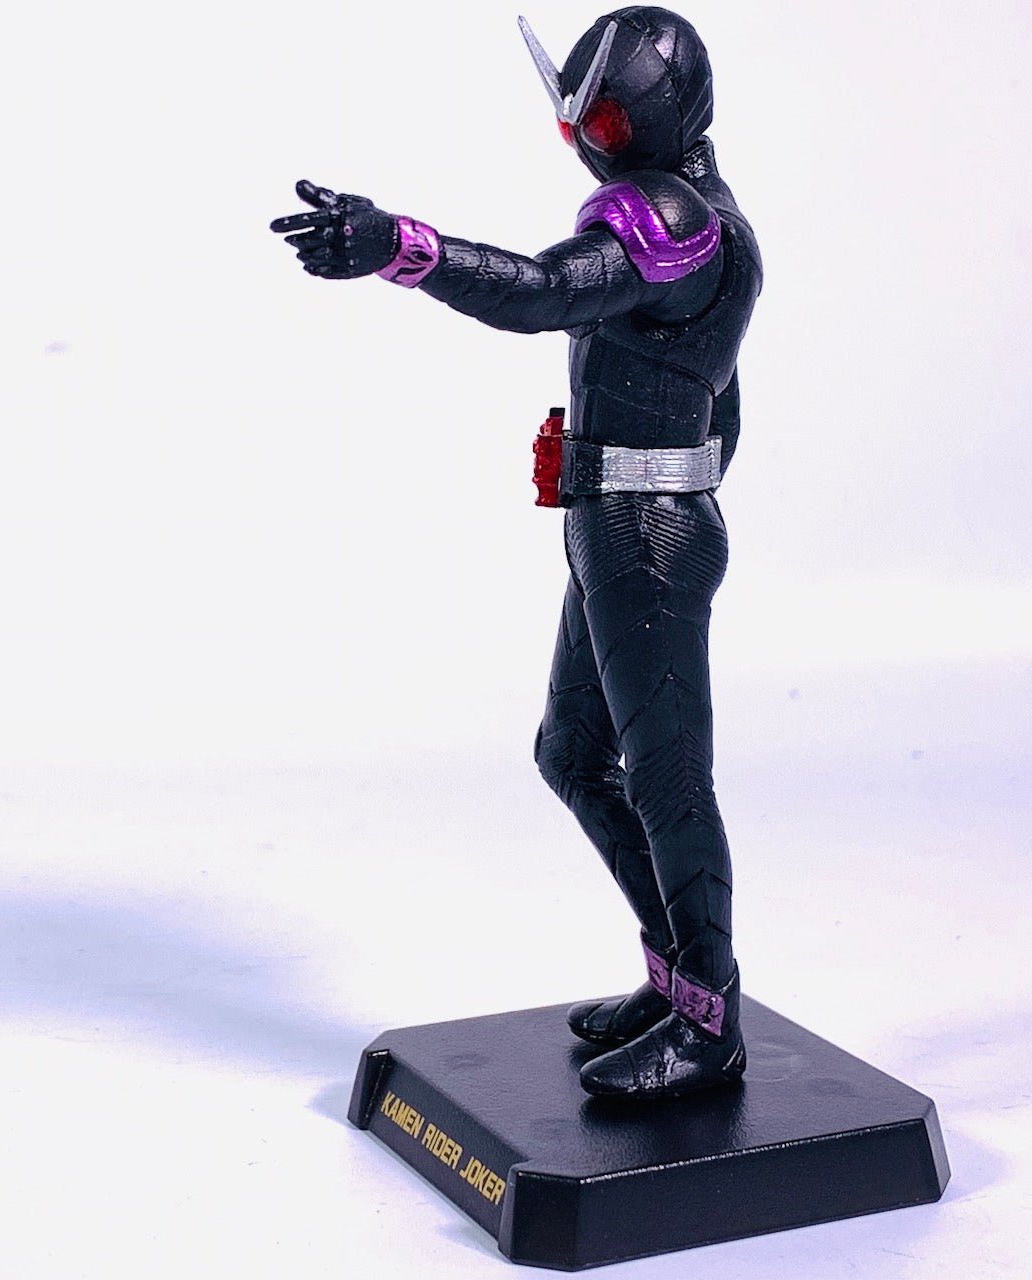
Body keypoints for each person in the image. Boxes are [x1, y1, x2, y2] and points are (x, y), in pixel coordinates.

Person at [270, 6, 761, 1097]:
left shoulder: (672, 219)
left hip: (643, 530)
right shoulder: (704, 216)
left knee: (669, 780)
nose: (584, 140)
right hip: (624, 519)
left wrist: (403, 247)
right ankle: (677, 974)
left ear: (647, 121)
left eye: (602, 121)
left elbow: (541, 294)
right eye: (575, 121)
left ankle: (710, 1018)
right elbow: (724, 397)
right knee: (571, 753)